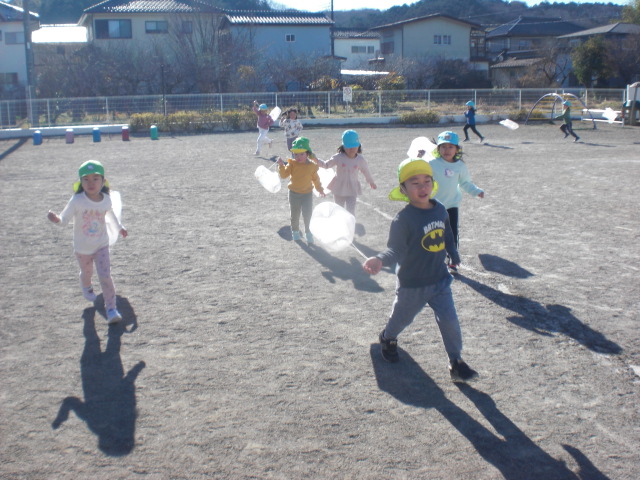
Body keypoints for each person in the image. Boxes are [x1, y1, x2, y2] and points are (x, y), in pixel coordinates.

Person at [362, 158, 477, 382]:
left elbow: (447, 234)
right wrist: (379, 259)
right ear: (403, 189)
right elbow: (394, 250)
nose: (422, 186)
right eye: (414, 182)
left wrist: (453, 252)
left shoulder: (440, 209)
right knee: (401, 319)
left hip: (440, 281)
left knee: (450, 321)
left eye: (427, 181)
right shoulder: (402, 219)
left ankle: (456, 362)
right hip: (412, 284)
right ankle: (388, 337)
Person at [47, 160, 128, 324]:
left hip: (101, 245)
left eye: (95, 179)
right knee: (87, 272)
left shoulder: (106, 199)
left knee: (105, 276)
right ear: (80, 182)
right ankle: (86, 284)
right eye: (86, 179)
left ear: (103, 181)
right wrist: (56, 219)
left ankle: (111, 309)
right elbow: (64, 220)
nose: (91, 183)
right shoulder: (77, 200)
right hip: (82, 247)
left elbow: (111, 216)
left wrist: (120, 228)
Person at [419, 131, 484, 273]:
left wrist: (476, 191)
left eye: (450, 147)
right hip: (433, 206)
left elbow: (465, 183)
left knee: (452, 233)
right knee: (432, 233)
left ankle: (452, 260)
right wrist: (419, 159)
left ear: (457, 149)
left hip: (451, 206)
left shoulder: (460, 166)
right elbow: (419, 174)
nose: (446, 150)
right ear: (438, 149)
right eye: (443, 147)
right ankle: (432, 258)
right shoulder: (432, 163)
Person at [316, 129, 377, 216]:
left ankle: (350, 227)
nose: (351, 149)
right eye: (348, 147)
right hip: (339, 188)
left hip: (352, 189)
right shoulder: (338, 157)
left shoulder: (360, 160)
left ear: (358, 146)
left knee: (350, 212)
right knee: (338, 210)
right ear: (343, 147)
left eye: (354, 146)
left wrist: (371, 181)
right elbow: (326, 165)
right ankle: (339, 226)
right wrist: (316, 160)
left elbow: (366, 171)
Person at [276, 137, 325, 243]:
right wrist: (281, 165)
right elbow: (284, 175)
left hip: (307, 194)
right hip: (293, 194)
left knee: (308, 214)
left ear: (307, 154)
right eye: (296, 154)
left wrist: (320, 189)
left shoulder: (312, 166)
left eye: (301, 154)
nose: (298, 157)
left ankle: (308, 232)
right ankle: (295, 232)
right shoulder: (292, 164)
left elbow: (316, 179)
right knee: (295, 215)